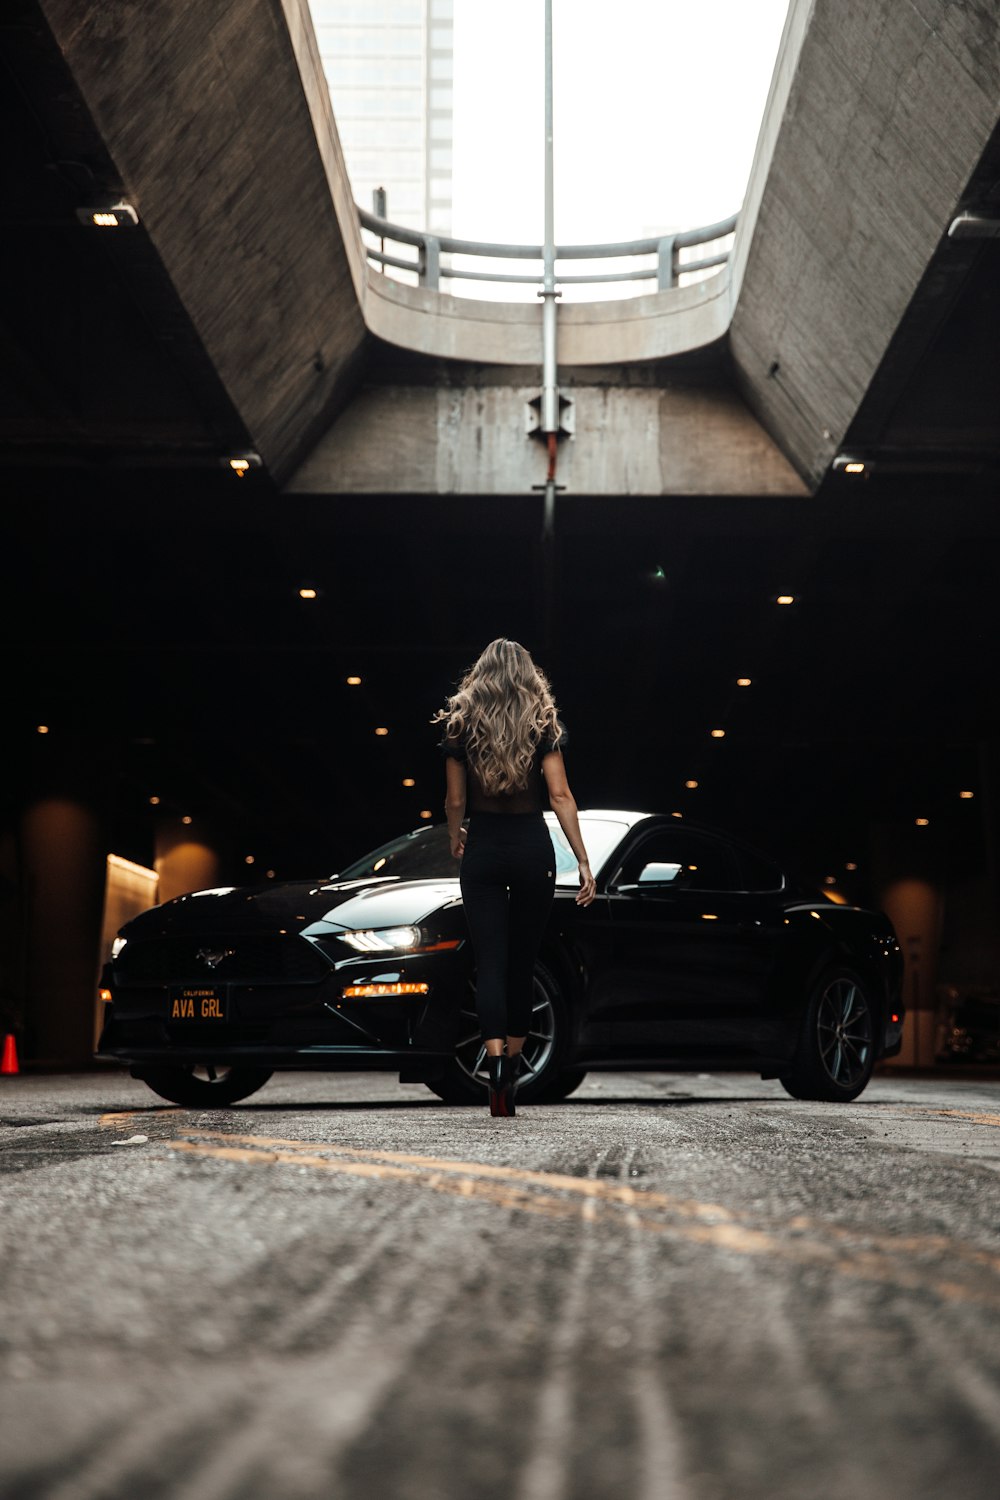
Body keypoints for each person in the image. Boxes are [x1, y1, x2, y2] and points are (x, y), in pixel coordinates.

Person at [432, 638, 595, 1117]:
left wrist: (454, 836)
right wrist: (582, 859)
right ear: (527, 675)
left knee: (490, 964)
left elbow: (454, 800)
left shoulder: (460, 723)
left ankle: (495, 1064)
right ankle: (514, 1068)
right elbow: (561, 795)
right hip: (531, 850)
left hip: (483, 850)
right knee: (522, 962)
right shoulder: (542, 722)